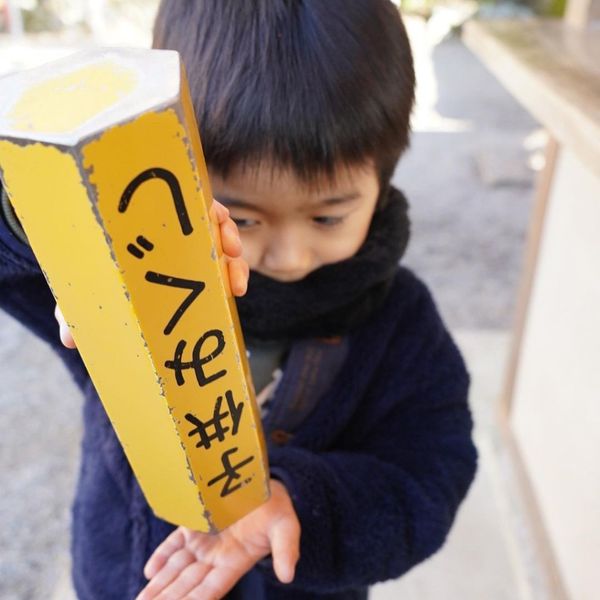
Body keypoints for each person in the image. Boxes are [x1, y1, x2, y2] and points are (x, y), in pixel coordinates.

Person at [0, 1, 478, 598]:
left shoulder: (398, 322)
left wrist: (298, 503)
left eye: (328, 216)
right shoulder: (130, 280)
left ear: (383, 179)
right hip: (126, 575)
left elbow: (429, 474)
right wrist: (54, 233)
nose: (289, 256)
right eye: (244, 219)